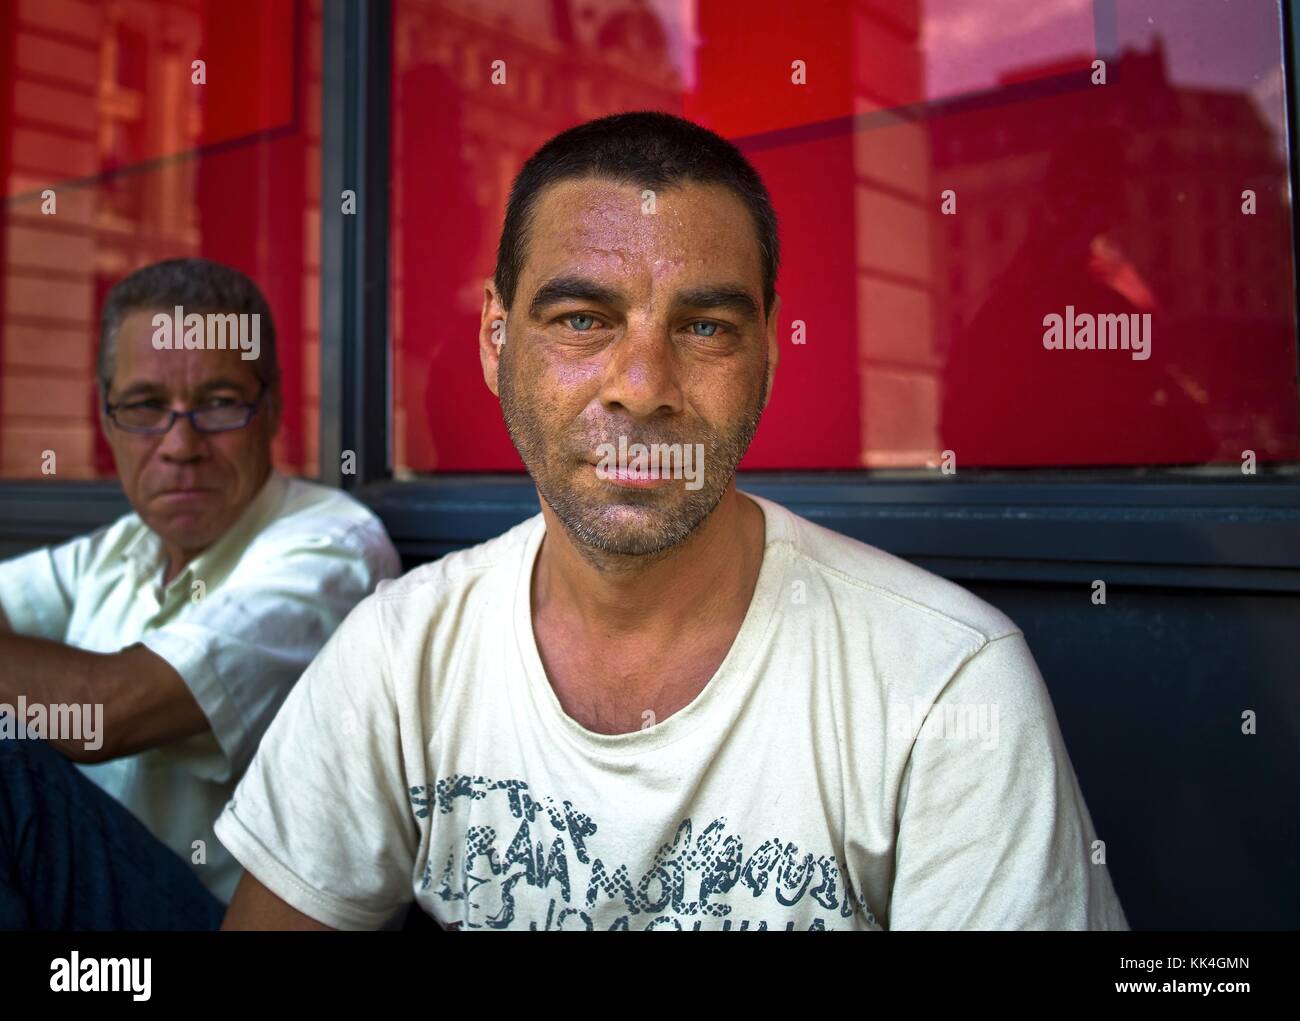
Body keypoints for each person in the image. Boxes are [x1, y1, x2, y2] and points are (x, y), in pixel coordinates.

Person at [216, 112, 1128, 931]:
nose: (642, 386)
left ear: (768, 350)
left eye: (703, 330)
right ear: (496, 343)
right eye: (582, 319)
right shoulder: (398, 653)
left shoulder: (944, 686)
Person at [0, 258, 400, 929]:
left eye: (218, 403)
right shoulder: (120, 547)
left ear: (270, 410)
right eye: (147, 406)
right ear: (107, 420)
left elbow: (105, 709)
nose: (180, 444)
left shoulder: (331, 549)